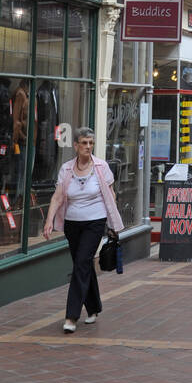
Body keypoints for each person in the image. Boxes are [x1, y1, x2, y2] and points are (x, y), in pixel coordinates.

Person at [43, 126, 124, 332]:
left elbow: (111, 195)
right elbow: (58, 196)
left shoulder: (101, 167)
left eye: (91, 143)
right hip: (72, 224)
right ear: (76, 146)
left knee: (81, 263)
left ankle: (71, 316)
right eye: (84, 143)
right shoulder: (67, 169)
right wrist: (49, 220)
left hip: (95, 222)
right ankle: (94, 307)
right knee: (83, 264)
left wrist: (112, 223)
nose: (88, 147)